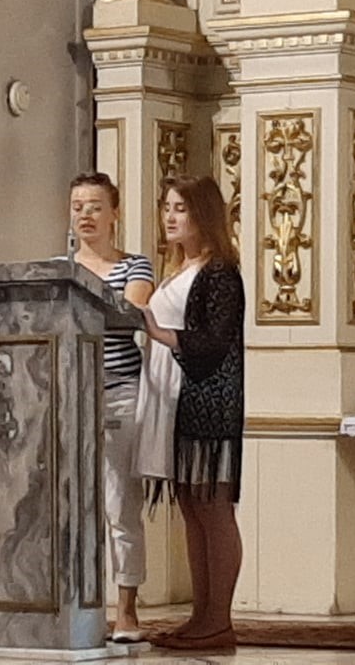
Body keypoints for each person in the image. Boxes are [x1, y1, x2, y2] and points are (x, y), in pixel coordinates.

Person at [136, 174, 244, 651]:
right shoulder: (179, 268)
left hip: (206, 403)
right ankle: (201, 615)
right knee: (192, 508)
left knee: (213, 509)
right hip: (174, 401)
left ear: (204, 214)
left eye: (181, 208)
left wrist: (160, 334)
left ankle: (218, 619)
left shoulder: (219, 272)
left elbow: (217, 341)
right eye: (167, 207)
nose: (171, 216)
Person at [68, 172, 154, 642]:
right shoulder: (60, 269)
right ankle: (80, 608)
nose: (86, 214)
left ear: (114, 214)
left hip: (119, 389)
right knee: (73, 506)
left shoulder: (134, 266)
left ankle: (127, 611)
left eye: (96, 206)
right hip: (71, 393)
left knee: (120, 505)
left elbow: (127, 313)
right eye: (78, 206)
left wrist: (77, 302)